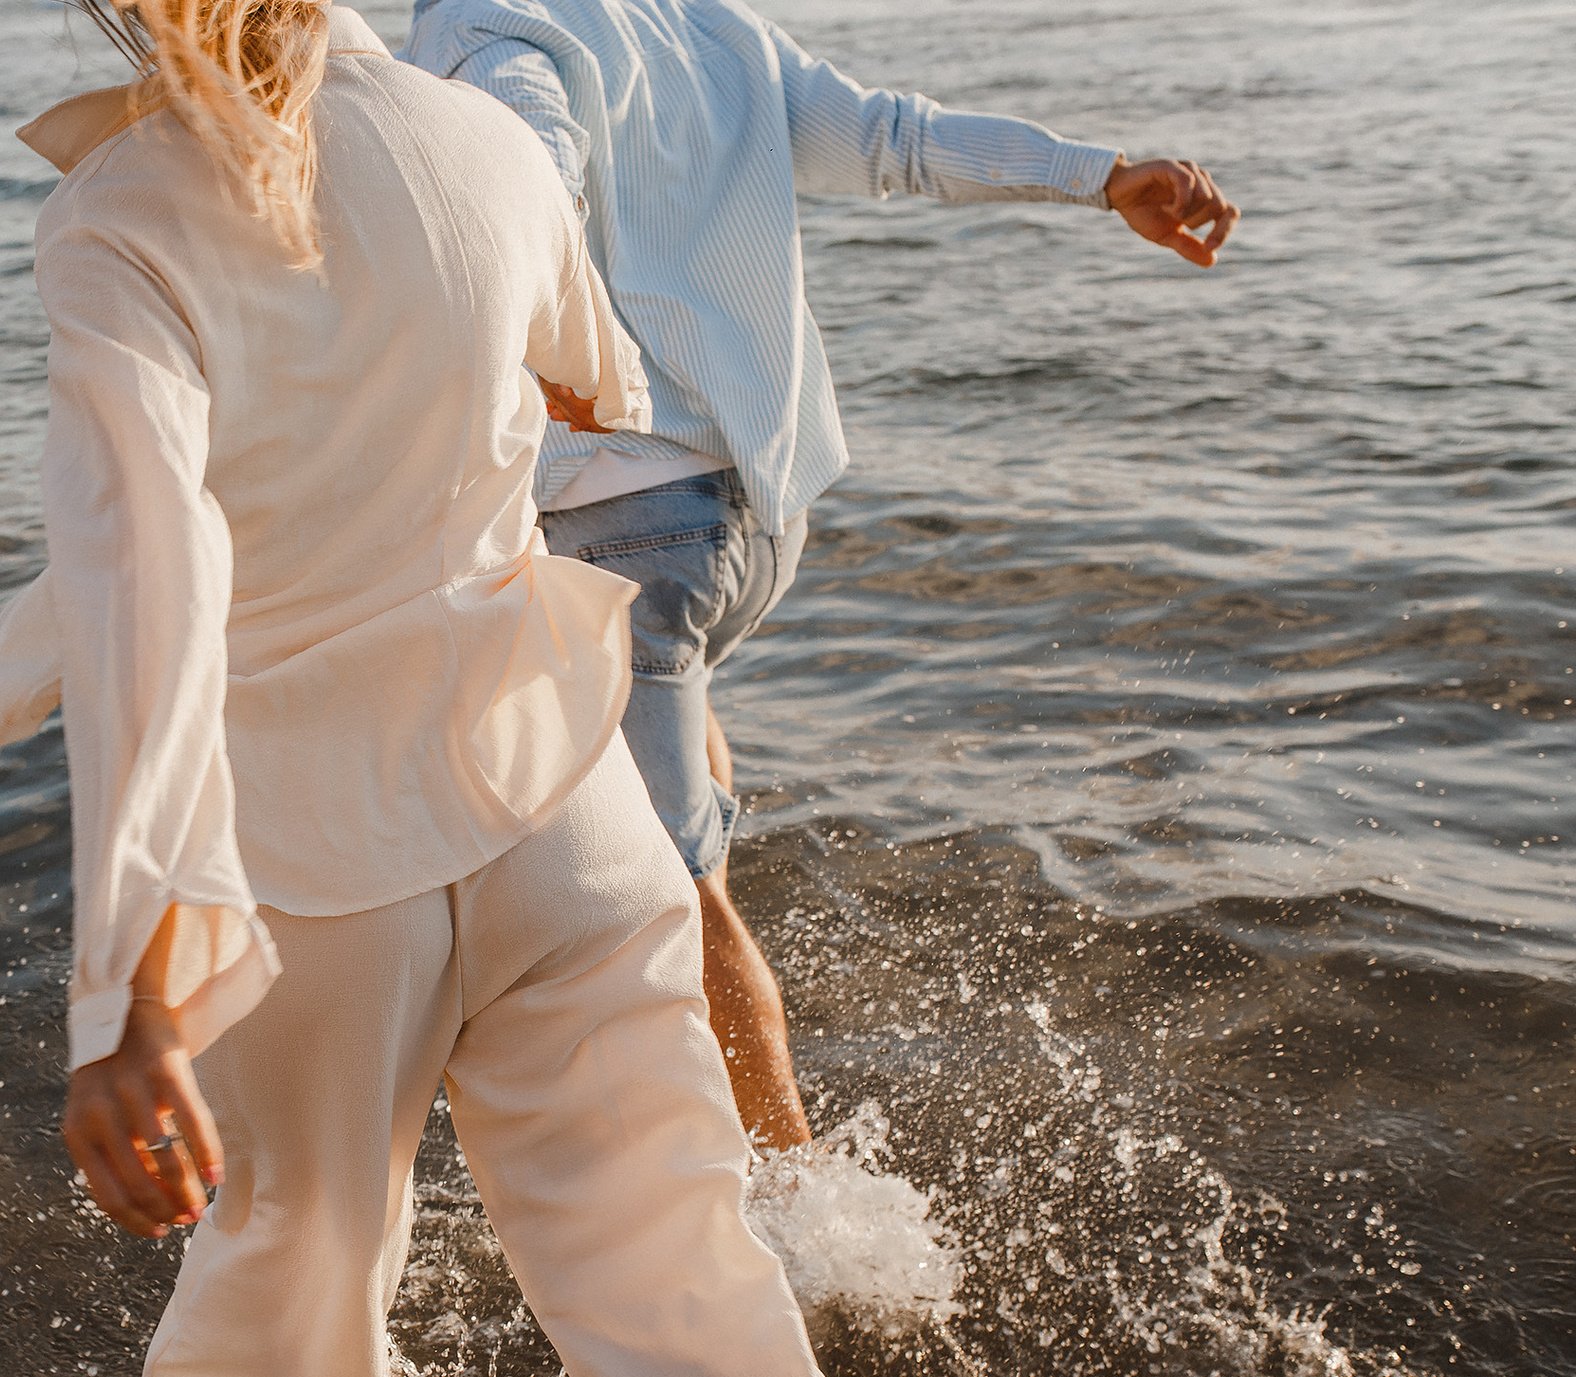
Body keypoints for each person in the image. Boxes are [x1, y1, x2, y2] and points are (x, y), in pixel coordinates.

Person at [0, 1, 1048, 1377]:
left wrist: (131, 996)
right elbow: (594, 377)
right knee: (715, 1351)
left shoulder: (119, 218)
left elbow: (144, 585)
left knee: (285, 1362)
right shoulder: (484, 140)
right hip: (567, 821)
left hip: (327, 877)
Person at [406, 0, 1241, 1152]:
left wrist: (522, 336)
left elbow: (525, 192)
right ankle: (704, 1061)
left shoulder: (482, 24)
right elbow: (896, 139)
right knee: (679, 785)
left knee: (671, 904)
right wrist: (1103, 176)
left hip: (627, 524)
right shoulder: (708, 25)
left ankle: (792, 1200)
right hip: (755, 519)